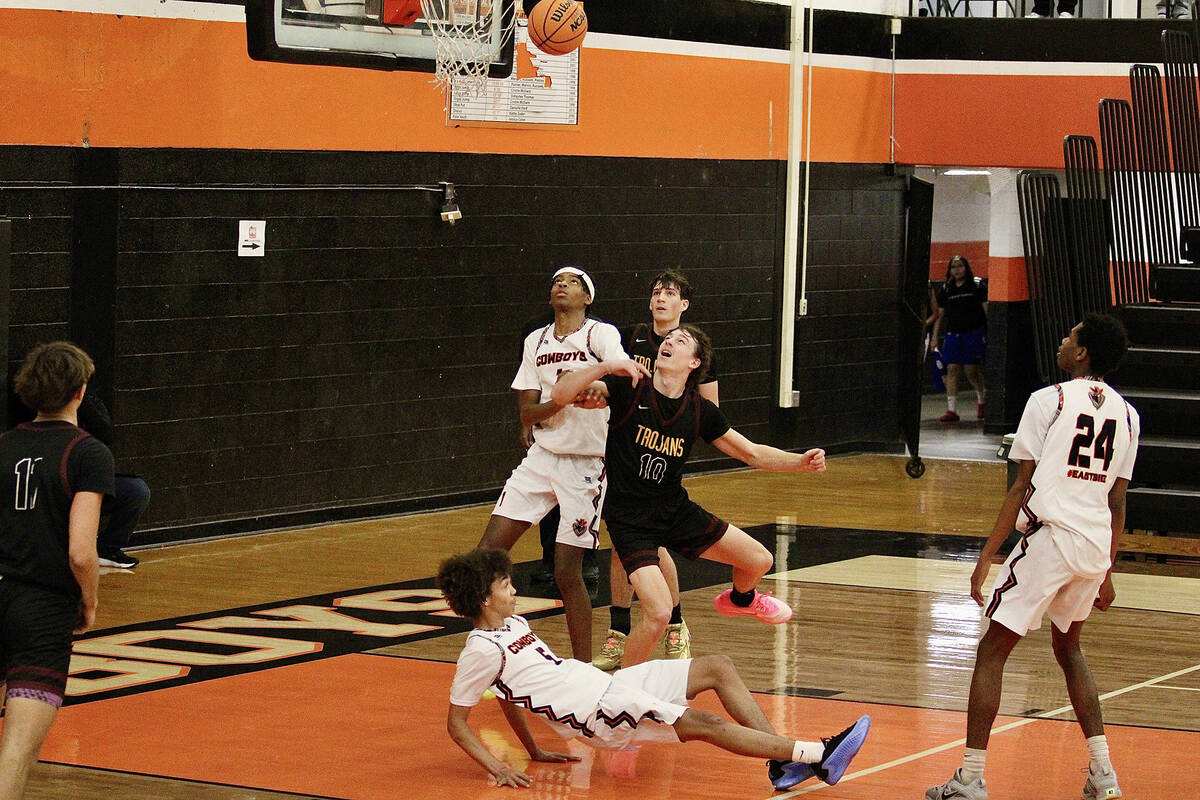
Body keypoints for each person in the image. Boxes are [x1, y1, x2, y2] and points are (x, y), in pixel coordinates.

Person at [439, 548, 870, 792]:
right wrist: (498, 767)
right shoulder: (479, 650)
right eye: (505, 586)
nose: (514, 589)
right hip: (598, 715)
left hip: (609, 685)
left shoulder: (515, 624)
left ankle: (781, 764)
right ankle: (818, 755)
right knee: (704, 723)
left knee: (717, 667)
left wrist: (533, 749)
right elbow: (457, 724)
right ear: (484, 599)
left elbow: (509, 698)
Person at [927, 314, 1139, 800]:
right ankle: (1104, 774)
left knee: (992, 650)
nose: (1062, 340)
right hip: (1092, 546)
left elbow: (1020, 485)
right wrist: (1107, 569)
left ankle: (970, 779)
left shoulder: (1050, 400)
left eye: (1070, 336)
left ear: (1081, 353)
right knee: (1069, 649)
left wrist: (987, 555)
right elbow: (1118, 502)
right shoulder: (1128, 414)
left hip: (1052, 538)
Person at [550, 325, 826, 668]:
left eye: (680, 341)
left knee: (759, 560)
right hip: (631, 522)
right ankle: (622, 689)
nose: (669, 341)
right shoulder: (631, 387)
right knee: (658, 613)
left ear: (694, 363)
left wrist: (799, 462)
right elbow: (560, 394)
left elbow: (751, 453)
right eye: (668, 339)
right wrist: (605, 366)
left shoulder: (699, 410)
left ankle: (742, 600)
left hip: (675, 511)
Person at [478, 266, 626, 663]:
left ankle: (582, 669)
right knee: (485, 556)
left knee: (566, 571)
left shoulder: (600, 334)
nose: (562, 285)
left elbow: (622, 374)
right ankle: (495, 652)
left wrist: (595, 387)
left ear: (587, 298)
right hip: (543, 458)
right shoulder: (536, 341)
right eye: (557, 282)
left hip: (587, 463)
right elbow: (527, 414)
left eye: (573, 282)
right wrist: (560, 400)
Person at [0, 342, 114, 799]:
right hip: (42, 609)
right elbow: (81, 552)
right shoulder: (89, 453)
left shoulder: (4, 445)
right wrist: (89, 600)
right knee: (15, 752)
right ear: (80, 391)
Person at [594, 270, 718, 671]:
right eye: (657, 292)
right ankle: (619, 634)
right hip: (623, 452)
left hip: (664, 459)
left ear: (684, 304)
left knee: (654, 547)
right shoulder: (631, 339)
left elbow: (710, 412)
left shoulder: (692, 347)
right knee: (622, 549)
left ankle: (675, 623)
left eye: (670, 293)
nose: (662, 298)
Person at [76, 392, 150, 569]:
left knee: (136, 490)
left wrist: (81, 401)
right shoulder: (39, 409)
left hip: (84, 484)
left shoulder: (87, 402)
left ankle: (107, 549)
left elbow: (106, 434)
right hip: (53, 488)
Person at [931, 255, 987, 422]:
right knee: (952, 369)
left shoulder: (976, 285)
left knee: (971, 370)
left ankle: (982, 400)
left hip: (973, 333)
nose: (957, 270)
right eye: (953, 267)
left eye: (960, 266)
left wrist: (990, 331)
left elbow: (986, 309)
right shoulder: (946, 289)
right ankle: (951, 410)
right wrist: (935, 337)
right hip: (953, 334)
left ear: (966, 268)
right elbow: (939, 315)